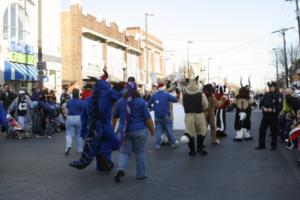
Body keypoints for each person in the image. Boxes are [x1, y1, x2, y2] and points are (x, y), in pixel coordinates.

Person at [69, 70, 122, 172]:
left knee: (95, 145)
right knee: (113, 143)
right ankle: (105, 159)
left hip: (93, 129)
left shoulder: (88, 100)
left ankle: (101, 164)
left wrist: (84, 130)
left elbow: (83, 117)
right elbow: (119, 95)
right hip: (106, 127)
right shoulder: (108, 95)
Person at [113, 80, 155, 183]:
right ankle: (141, 174)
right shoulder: (141, 102)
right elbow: (147, 119)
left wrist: (113, 129)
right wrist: (152, 130)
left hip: (124, 131)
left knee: (124, 152)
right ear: (136, 89)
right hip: (139, 130)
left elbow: (114, 116)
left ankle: (121, 169)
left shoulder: (120, 102)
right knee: (139, 152)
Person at [182, 76, 209, 156]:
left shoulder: (184, 95)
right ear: (197, 83)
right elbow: (206, 105)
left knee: (190, 132)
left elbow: (183, 104)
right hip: (199, 115)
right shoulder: (201, 95)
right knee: (201, 131)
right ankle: (199, 148)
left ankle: (192, 150)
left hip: (188, 115)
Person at [148, 82, 178, 150]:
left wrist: (153, 108)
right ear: (164, 88)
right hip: (166, 115)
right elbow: (175, 100)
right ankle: (172, 143)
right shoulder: (167, 95)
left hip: (157, 115)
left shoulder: (154, 95)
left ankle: (157, 144)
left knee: (158, 130)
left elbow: (148, 104)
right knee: (169, 129)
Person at [256, 81, 282, 150]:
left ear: (274, 87)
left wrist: (273, 109)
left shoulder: (278, 95)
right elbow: (261, 104)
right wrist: (263, 108)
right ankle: (261, 145)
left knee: (273, 131)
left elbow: (280, 106)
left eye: (272, 87)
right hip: (265, 115)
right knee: (261, 130)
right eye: (269, 87)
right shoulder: (266, 94)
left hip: (273, 116)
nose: (270, 88)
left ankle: (273, 146)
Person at [65, 89, 84, 155]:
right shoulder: (81, 102)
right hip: (79, 118)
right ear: (78, 94)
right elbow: (83, 110)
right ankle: (79, 149)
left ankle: (68, 145)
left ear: (72, 94)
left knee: (69, 134)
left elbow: (67, 107)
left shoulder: (69, 101)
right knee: (79, 135)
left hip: (70, 117)